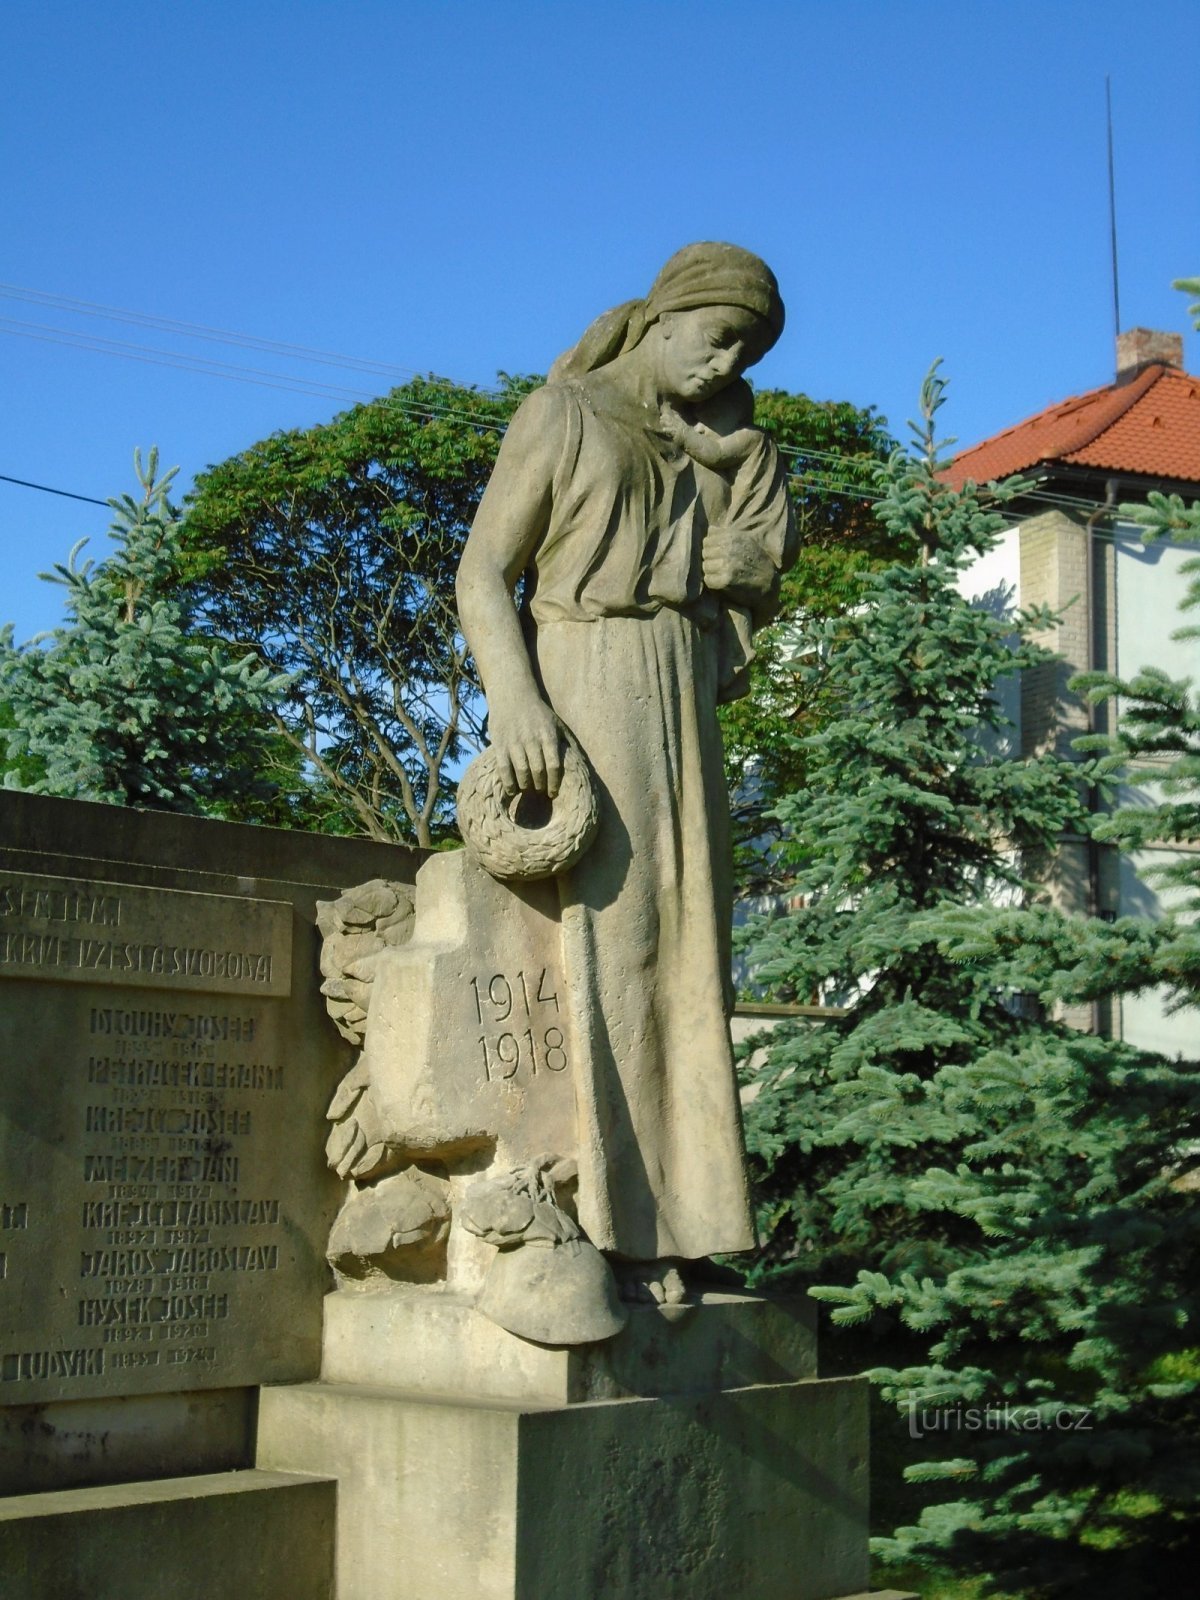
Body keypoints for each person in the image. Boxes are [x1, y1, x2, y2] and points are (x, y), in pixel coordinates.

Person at [456, 242, 797, 1300]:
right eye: (719, 331)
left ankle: (686, 1226)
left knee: (694, 945)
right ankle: (611, 1222)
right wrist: (515, 702)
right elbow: (481, 571)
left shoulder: (716, 444)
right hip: (585, 668)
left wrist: (729, 474)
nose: (728, 356)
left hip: (679, 680)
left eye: (746, 345)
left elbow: (758, 567)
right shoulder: (562, 414)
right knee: (621, 937)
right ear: (665, 314)